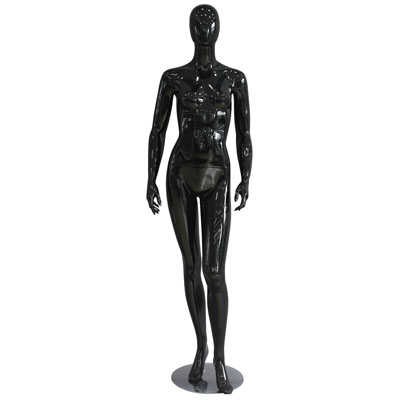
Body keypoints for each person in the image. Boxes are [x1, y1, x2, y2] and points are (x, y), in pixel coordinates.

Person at [146, 4, 252, 394]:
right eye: (199, 22)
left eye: (209, 22)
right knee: (191, 266)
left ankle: (220, 358)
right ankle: (200, 346)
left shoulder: (234, 79)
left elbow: (244, 134)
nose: (204, 27)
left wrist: (247, 177)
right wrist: (150, 177)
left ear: (217, 30)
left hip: (218, 175)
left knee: (214, 271)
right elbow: (157, 130)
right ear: (191, 30)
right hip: (180, 173)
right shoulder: (173, 78)